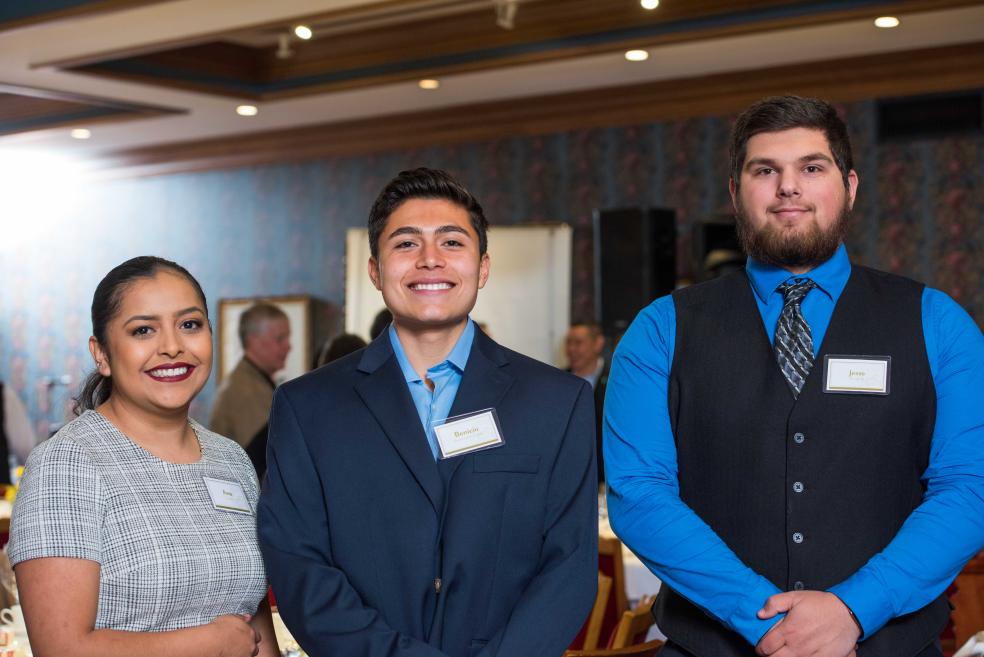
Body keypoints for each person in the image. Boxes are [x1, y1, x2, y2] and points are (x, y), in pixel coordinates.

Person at [604, 96, 984, 657]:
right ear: (736, 193)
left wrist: (855, 609)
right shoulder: (660, 328)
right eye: (765, 170)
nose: (789, 187)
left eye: (811, 167)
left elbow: (970, 488)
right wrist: (767, 622)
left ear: (849, 186)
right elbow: (639, 493)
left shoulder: (938, 321)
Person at [258, 167, 597, 657]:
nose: (430, 260)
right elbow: (298, 566)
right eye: (406, 244)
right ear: (375, 270)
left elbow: (570, 565)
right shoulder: (308, 406)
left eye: (452, 243)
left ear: (482, 267)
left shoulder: (556, 402)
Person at [9, 256, 278, 657]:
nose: (172, 347)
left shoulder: (231, 460)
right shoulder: (66, 465)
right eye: (143, 330)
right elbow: (62, 648)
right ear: (101, 354)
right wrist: (209, 643)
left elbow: (254, 621)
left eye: (190, 325)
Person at [210, 303, 291, 477]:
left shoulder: (250, 381)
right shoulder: (246, 392)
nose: (288, 346)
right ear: (254, 341)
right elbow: (265, 461)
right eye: (280, 339)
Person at [565, 322, 608, 483]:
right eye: (568, 342)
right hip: (569, 475)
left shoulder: (615, 381)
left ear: (598, 343)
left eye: (578, 343)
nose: (572, 349)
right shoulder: (559, 381)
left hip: (605, 476)